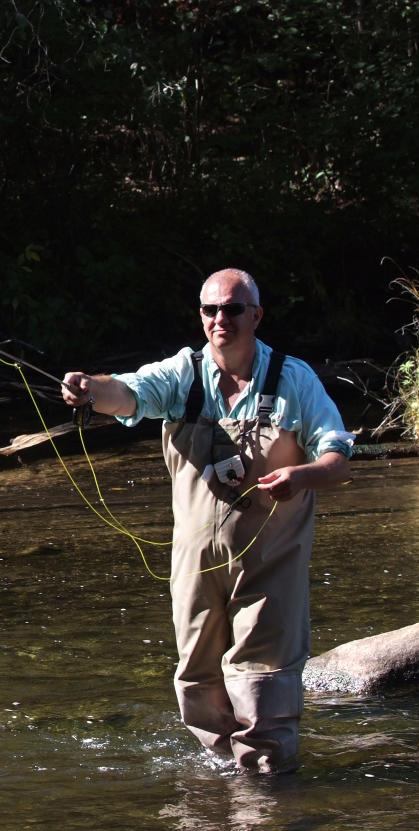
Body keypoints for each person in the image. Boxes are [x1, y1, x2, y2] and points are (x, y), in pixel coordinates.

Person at [61, 268, 353, 773]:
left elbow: (338, 457)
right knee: (197, 675)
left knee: (263, 677)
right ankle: (221, 781)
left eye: (234, 309)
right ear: (201, 317)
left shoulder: (295, 378)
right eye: (211, 310)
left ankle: (268, 789)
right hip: (196, 563)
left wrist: (301, 477)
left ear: (256, 316)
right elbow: (128, 393)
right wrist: (90, 389)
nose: (222, 319)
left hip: (271, 563)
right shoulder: (182, 374)